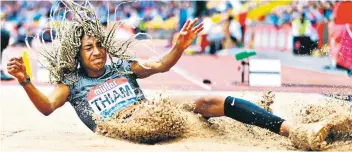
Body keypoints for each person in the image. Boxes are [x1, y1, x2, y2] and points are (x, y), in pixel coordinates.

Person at [6, 1, 349, 150]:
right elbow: (48, 106)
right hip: (126, 125)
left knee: (207, 100)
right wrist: (25, 80)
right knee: (160, 114)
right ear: (77, 55)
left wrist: (180, 47)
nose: (97, 52)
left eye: (99, 45)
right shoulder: (74, 84)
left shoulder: (121, 67)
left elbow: (160, 67)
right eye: (88, 49)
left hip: (153, 111)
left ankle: (294, 130)